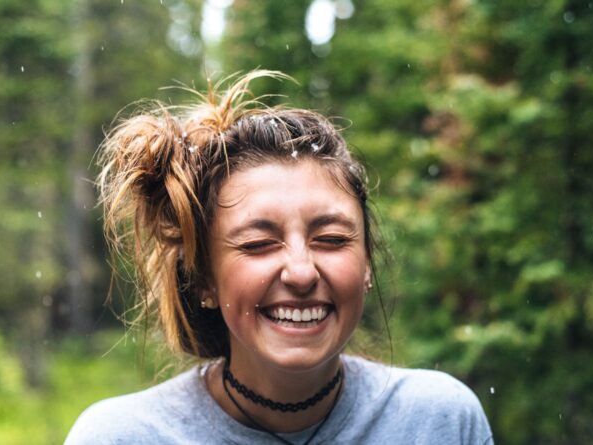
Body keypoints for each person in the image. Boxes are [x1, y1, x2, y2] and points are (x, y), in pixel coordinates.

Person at [64, 71, 493, 445]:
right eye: (257, 244)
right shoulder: (121, 437)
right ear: (204, 280)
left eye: (330, 239)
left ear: (366, 265)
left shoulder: (438, 422)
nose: (302, 272)